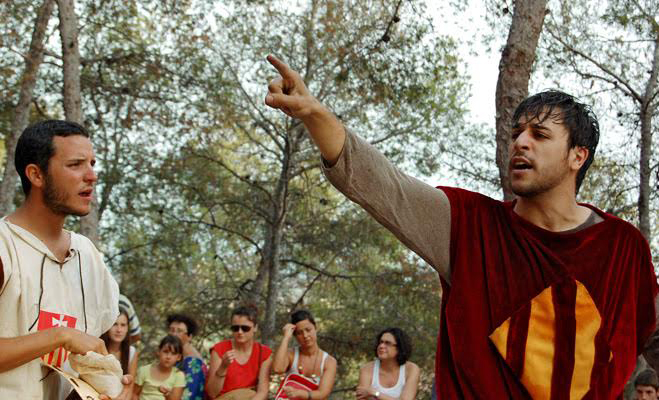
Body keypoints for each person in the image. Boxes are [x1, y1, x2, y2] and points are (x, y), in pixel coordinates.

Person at [264, 55, 658, 398]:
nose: (520, 142)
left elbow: (653, 335)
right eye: (516, 133)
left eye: (539, 135)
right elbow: (383, 185)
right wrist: (315, 114)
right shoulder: (467, 224)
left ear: (577, 156)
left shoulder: (622, 247)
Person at [0, 120, 131, 399]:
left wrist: (105, 390)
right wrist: (61, 335)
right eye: (75, 164)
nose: (91, 175)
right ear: (36, 175)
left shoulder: (88, 257)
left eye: (92, 164)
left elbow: (72, 375)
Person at [206, 305, 272, 400]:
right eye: (235, 328)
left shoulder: (264, 353)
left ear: (255, 328)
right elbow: (212, 393)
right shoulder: (219, 349)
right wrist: (223, 367)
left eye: (245, 328)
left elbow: (263, 391)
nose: (240, 332)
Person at [272, 310, 337, 400]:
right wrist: (286, 337)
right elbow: (278, 369)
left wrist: (300, 394)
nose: (305, 336)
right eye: (299, 333)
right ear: (295, 336)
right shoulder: (291, 354)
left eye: (308, 330)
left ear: (315, 328)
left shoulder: (329, 362)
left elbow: (323, 394)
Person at [355, 328, 419, 400]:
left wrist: (375, 393)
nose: (381, 346)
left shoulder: (411, 369)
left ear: (399, 348)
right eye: (380, 342)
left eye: (387, 343)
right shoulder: (367, 369)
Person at [167, 313, 207, 400]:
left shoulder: (193, 362)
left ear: (189, 337)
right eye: (171, 330)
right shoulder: (177, 357)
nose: (174, 334)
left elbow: (190, 396)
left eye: (179, 331)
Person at [134, 335, 186, 400]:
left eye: (173, 353)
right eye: (165, 352)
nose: (168, 357)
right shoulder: (144, 370)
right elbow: (134, 394)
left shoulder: (178, 375)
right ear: (158, 352)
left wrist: (167, 394)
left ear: (179, 357)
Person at [101, 309, 139, 378]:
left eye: (123, 325)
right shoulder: (97, 348)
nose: (119, 330)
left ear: (127, 328)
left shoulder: (132, 352)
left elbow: (131, 383)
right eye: (114, 324)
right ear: (107, 326)